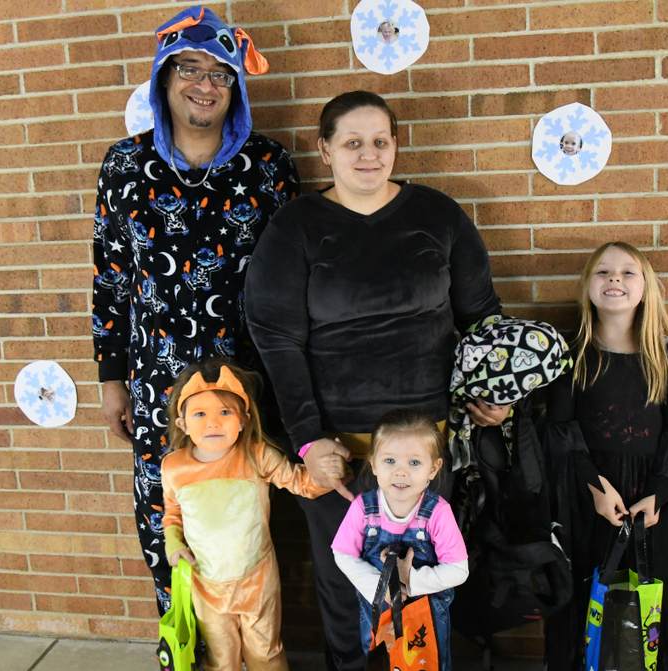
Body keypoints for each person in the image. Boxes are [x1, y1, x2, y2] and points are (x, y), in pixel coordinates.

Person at [245, 90, 508, 671]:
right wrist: (310, 441)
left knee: (424, 587)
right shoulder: (297, 227)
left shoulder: (436, 216)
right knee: (349, 592)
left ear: (396, 145)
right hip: (337, 454)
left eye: (380, 142)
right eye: (352, 143)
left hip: (424, 451)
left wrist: (494, 393)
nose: (369, 155)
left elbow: (481, 316)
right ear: (325, 150)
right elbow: (276, 339)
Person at [91, 5, 300, 613]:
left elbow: (293, 279)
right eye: (189, 69)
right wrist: (111, 380)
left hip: (246, 386)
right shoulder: (124, 166)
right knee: (169, 528)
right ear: (164, 77)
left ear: (234, 88)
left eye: (220, 74)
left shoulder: (269, 167)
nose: (204, 85)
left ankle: (251, 643)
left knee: (246, 526)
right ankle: (185, 646)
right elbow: (109, 280)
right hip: (158, 386)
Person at [544, 242, 668, 671]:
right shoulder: (570, 352)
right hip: (590, 497)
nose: (614, 279)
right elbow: (562, 432)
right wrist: (595, 487)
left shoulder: (666, 353)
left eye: (627, 272)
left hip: (650, 500)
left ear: (646, 287)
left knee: (649, 601)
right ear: (588, 286)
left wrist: (659, 493)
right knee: (588, 595)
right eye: (603, 272)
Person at [162, 361, 342, 670]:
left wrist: (330, 470)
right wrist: (173, 544)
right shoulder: (174, 468)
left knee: (265, 652)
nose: (212, 423)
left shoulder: (257, 456)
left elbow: (299, 481)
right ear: (182, 423)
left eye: (224, 413)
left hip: (256, 579)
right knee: (221, 657)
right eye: (200, 414)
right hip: (207, 584)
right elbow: (172, 516)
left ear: (244, 420)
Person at [332, 409, 468, 670]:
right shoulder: (363, 508)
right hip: (378, 611)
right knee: (381, 663)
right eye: (390, 461)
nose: (401, 472)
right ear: (373, 463)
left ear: (434, 468)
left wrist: (409, 582)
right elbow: (343, 554)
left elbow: (458, 570)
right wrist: (381, 588)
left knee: (426, 664)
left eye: (414, 463)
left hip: (424, 612)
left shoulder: (437, 513)